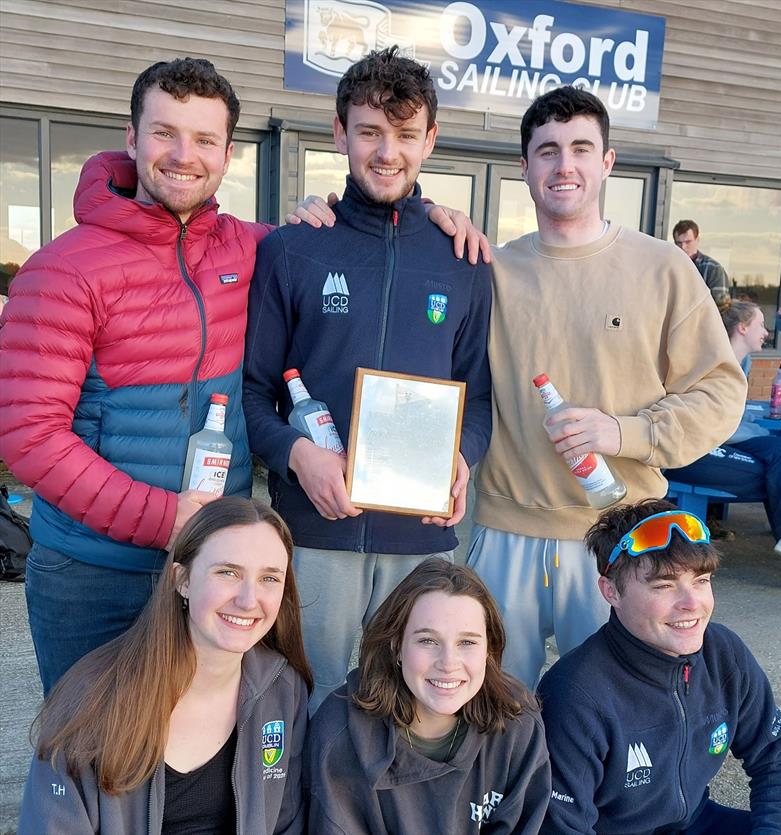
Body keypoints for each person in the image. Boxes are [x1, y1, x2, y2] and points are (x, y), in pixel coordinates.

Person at [0, 57, 485, 694]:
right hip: (99, 569)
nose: (183, 155)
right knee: (88, 748)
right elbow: (29, 437)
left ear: (228, 152)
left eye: (204, 139)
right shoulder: (62, 268)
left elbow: (365, 250)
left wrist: (437, 223)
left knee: (198, 744)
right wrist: (172, 516)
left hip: (211, 560)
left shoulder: (250, 245)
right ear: (131, 137)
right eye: (164, 133)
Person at [466, 86, 747, 689]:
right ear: (524, 167)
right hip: (502, 535)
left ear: (607, 162)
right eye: (547, 151)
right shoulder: (491, 271)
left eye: (580, 148)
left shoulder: (663, 268)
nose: (564, 165)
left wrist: (624, 431)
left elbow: (720, 392)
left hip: (624, 536)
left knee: (615, 719)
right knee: (492, 713)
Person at [243, 47, 492, 712]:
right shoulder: (292, 247)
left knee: (412, 710)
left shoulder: (463, 257)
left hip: (421, 539)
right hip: (316, 530)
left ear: (430, 139)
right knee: (312, 705)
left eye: (406, 135)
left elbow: (480, 396)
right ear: (339, 132)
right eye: (370, 132)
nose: (388, 152)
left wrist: (463, 459)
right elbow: (251, 392)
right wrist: (299, 457)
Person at [18, 496, 312, 835]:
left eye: (269, 578)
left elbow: (287, 822)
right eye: (227, 572)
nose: (248, 600)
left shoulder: (283, 689)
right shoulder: (91, 698)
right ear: (182, 580)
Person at [538, 499, 781, 834]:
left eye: (701, 580)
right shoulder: (575, 695)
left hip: (695, 821)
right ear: (610, 591)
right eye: (664, 585)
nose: (692, 604)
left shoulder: (722, 653)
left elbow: (777, 757)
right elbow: (563, 827)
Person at [304, 558, 550, 834]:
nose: (448, 663)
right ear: (396, 646)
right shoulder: (340, 733)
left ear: (489, 650)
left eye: (467, 642)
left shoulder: (518, 720)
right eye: (427, 641)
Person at [665, 300, 781, 591]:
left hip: (721, 438)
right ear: (742, 327)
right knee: (777, 472)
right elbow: (710, 420)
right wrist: (753, 427)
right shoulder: (712, 360)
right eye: (761, 324)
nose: (767, 331)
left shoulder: (741, 362)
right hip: (692, 449)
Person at [672, 219, 731, 304]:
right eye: (679, 243)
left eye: (688, 242)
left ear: (697, 239)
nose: (683, 247)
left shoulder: (713, 269)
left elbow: (721, 307)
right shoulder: (669, 267)